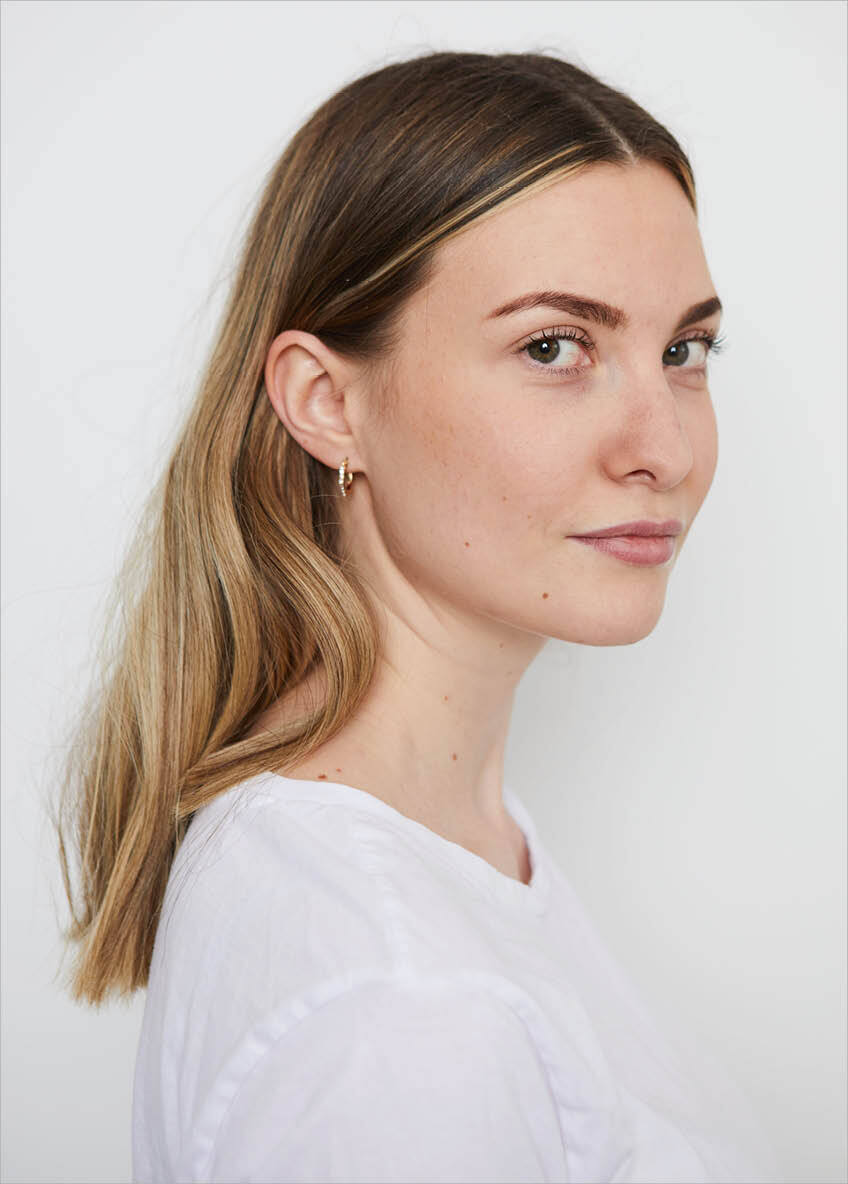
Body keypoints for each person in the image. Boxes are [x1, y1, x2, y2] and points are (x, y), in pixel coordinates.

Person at [53, 50, 781, 1183]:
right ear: (326, 402)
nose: (666, 449)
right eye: (554, 347)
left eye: (683, 351)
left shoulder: (429, 854)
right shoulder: (404, 1010)